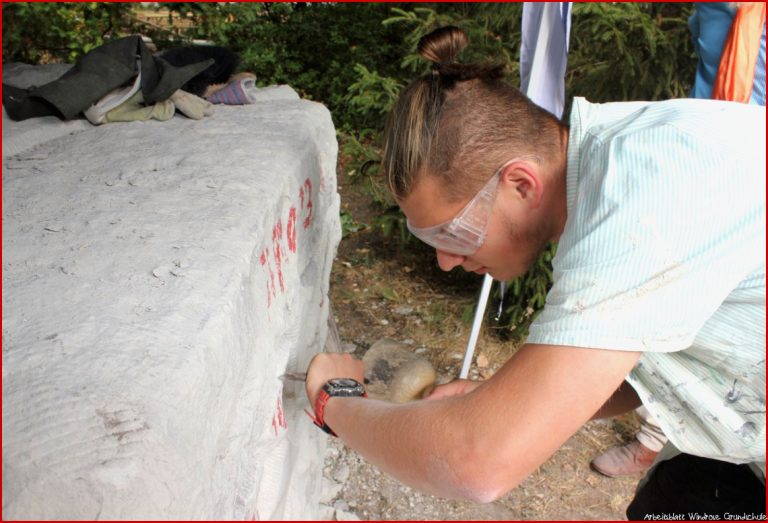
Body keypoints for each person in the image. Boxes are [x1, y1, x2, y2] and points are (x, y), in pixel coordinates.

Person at [305, 26, 765, 517]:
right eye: (429, 241)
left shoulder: (640, 195)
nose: (444, 260)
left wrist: (338, 401)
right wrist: (504, 399)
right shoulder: (610, 163)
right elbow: (636, 375)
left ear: (521, 184)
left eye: (452, 234)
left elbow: (477, 464)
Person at [592, 1, 768, 479]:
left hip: (759, 199)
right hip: (701, 182)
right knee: (670, 304)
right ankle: (652, 438)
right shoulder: (713, 8)